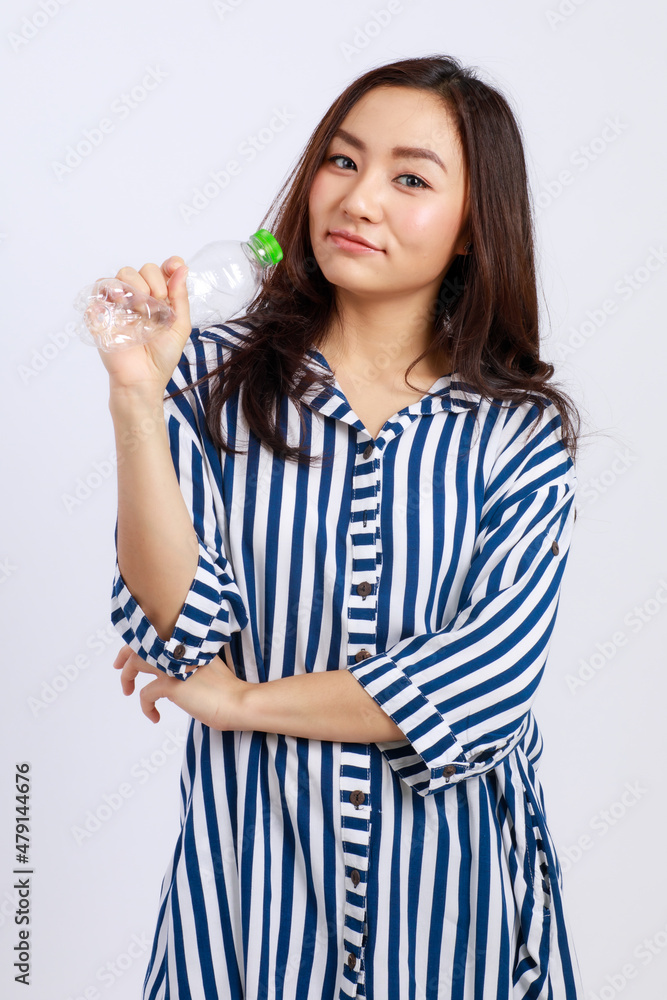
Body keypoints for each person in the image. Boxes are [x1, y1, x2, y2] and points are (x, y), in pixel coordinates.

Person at [103, 54, 584, 1000]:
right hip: (248, 886)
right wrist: (134, 399)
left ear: (471, 228)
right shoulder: (205, 378)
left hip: (454, 903)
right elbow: (178, 627)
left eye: (410, 179)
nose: (358, 200)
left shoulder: (517, 432)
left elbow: (486, 682)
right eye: (342, 160)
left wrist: (242, 702)